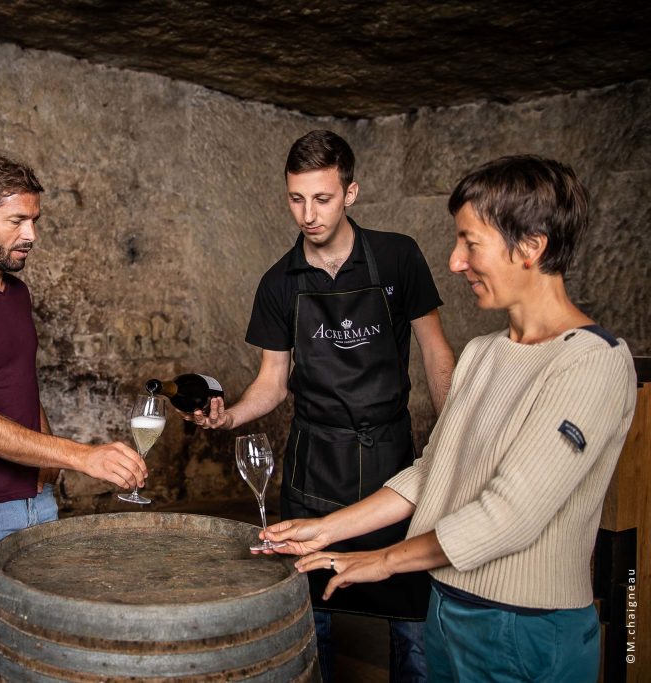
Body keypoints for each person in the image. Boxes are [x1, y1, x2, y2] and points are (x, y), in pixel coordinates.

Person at [263, 155, 637, 683]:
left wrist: (385, 560)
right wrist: (325, 531)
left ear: (530, 247)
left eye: (470, 242)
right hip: (447, 605)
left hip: (525, 627)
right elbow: (431, 471)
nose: (455, 262)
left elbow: (511, 514)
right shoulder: (484, 352)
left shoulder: (592, 361)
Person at [194, 130, 455, 682]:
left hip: (392, 459)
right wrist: (230, 416)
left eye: (323, 198)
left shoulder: (398, 257)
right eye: (296, 199)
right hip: (314, 465)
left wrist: (455, 444)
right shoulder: (277, 284)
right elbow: (272, 383)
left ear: (351, 193)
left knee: (410, 619)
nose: (308, 214)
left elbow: (436, 355)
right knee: (314, 620)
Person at [0, 154, 148, 682]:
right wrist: (82, 456)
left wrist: (49, 466)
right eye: (17, 220)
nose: (31, 233)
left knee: (36, 644)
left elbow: (19, 383)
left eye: (34, 220)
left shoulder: (17, 292)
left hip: (36, 501)